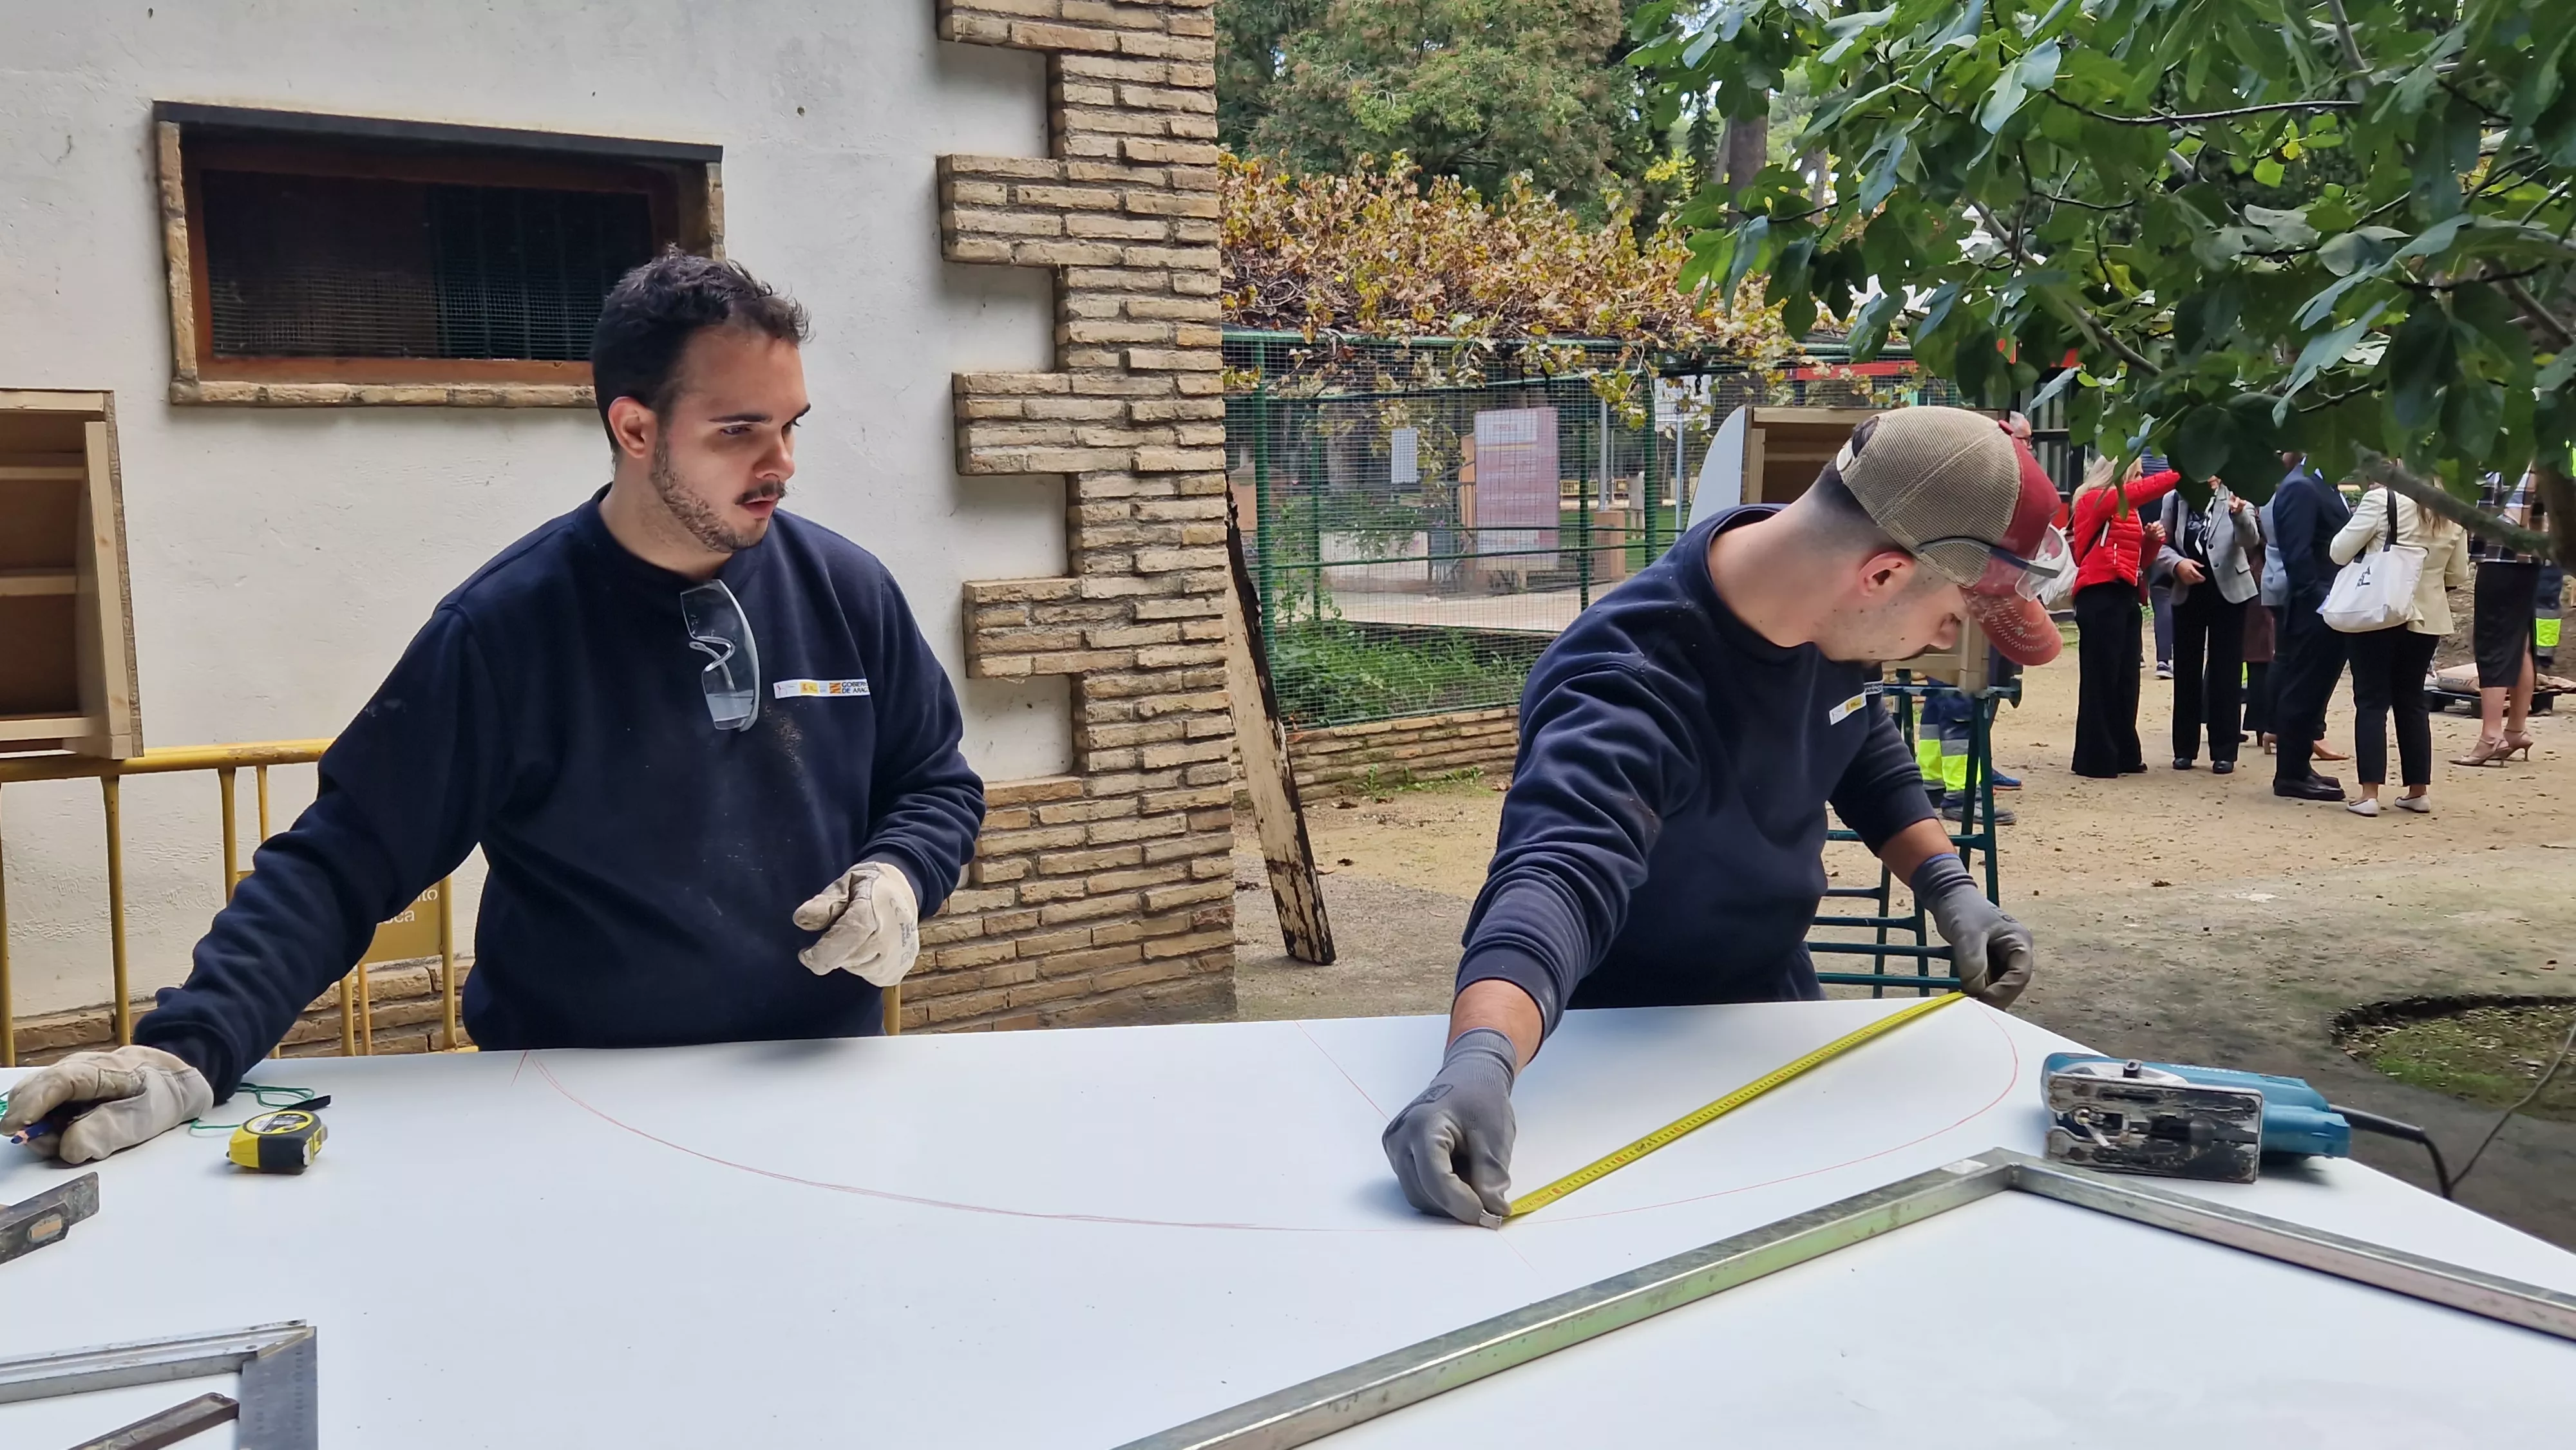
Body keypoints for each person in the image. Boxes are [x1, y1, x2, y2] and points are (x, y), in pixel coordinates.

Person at [0, 252, 988, 1164]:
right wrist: (190, 1050)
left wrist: (901, 873)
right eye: (739, 431)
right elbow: (348, 856)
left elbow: (934, 781)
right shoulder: (507, 630)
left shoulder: (847, 593)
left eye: (790, 425)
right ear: (635, 428)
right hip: (569, 1113)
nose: (781, 464)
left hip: (813, 1086)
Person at [1378, 407, 2060, 1227]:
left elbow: (1860, 739)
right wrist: (1479, 1056)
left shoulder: (1818, 605)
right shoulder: (1628, 679)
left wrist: (1950, 887)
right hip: (1621, 1044)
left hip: (1769, 1009)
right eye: (1952, 616)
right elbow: (1556, 872)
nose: (1943, 639)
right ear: (1880, 576)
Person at [2331, 483, 2470, 814]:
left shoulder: (2382, 500)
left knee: (2371, 701)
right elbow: (2459, 573)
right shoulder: (2453, 510)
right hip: (2428, 617)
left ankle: (2369, 794)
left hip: (2380, 610)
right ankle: (2417, 790)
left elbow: (2338, 551)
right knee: (2412, 702)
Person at [2066, 455, 2182, 778]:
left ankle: (2122, 751)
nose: (2141, 480)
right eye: (2137, 474)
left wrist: (2152, 541)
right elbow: (2138, 493)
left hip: (2125, 592)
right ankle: (2096, 757)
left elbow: (2140, 560)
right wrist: (2180, 475)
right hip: (2099, 593)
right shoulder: (2095, 500)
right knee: (2101, 678)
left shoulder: (2127, 510)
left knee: (2126, 678)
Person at [2154, 482, 2262, 773]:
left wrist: (2239, 514)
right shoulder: (2175, 498)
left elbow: (2250, 540)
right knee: (2186, 669)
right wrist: (2177, 564)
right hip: (2188, 591)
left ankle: (2224, 749)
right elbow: (2161, 545)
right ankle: (2185, 749)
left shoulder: (2237, 496)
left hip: (2229, 592)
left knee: (2225, 671)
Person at [2268, 453, 2354, 800]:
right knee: (2302, 690)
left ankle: (2299, 765)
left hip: (2332, 605)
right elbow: (2298, 555)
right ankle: (2290, 774)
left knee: (2314, 692)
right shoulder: (2302, 487)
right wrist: (2321, 603)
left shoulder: (2322, 485)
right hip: (2314, 609)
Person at [2457, 470, 2550, 765]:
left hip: (2502, 559)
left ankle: (2490, 736)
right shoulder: (2540, 460)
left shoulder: (2515, 464)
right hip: (2529, 562)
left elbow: (2512, 518)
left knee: (2493, 643)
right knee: (2518, 642)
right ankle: (2515, 730)